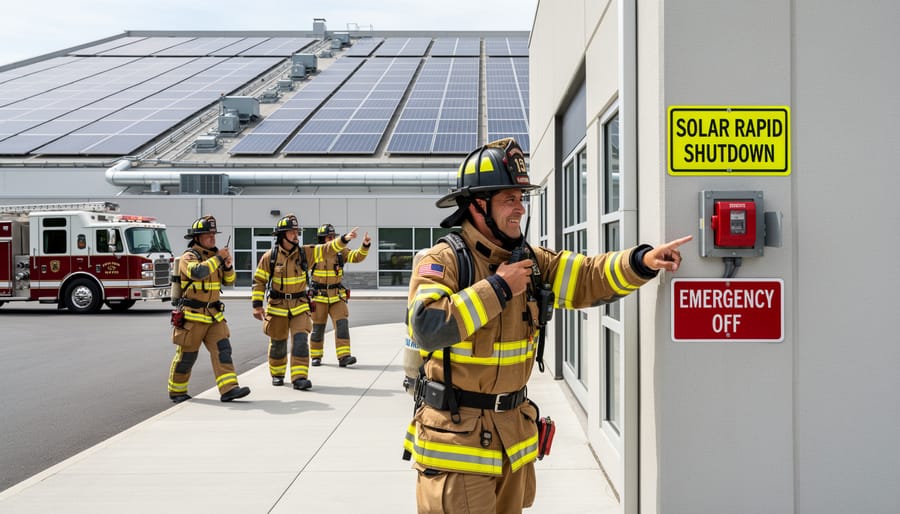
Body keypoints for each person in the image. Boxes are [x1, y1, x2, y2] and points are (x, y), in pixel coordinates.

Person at [402, 137, 692, 513]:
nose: (520, 209)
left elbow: (589, 276)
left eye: (521, 199)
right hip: (457, 448)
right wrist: (499, 288)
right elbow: (426, 324)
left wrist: (641, 261)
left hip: (511, 440)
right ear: (477, 205)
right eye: (509, 199)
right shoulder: (444, 260)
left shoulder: (533, 262)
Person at [252, 215, 360, 390]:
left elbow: (326, 249)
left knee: (301, 341)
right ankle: (278, 374)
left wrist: (344, 239)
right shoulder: (269, 257)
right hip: (277, 308)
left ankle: (300, 377)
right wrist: (257, 306)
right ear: (281, 235)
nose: (296, 235)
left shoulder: (305, 253)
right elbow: (259, 282)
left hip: (300, 306)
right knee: (278, 343)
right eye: (291, 232)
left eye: (296, 232)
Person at [168, 215, 251, 403]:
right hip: (192, 317)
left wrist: (228, 266)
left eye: (213, 234)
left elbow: (229, 282)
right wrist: (218, 258)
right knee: (187, 356)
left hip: (214, 316)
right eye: (208, 234)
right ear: (197, 238)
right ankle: (177, 390)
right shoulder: (189, 257)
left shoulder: (215, 258)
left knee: (223, 350)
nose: (212, 237)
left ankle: (229, 389)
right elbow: (198, 273)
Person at [308, 223, 371, 368]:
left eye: (333, 236)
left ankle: (344, 356)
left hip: (337, 296)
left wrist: (365, 245)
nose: (331, 239)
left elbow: (357, 257)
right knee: (318, 327)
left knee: (342, 325)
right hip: (319, 296)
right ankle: (316, 356)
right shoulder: (314, 253)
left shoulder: (340, 252)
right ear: (322, 239)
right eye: (328, 237)